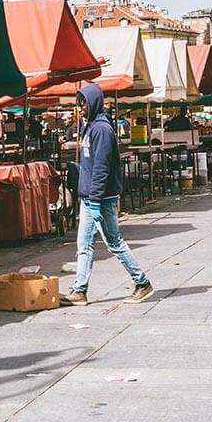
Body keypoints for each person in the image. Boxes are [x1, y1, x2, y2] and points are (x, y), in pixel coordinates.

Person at [61, 83, 154, 306]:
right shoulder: (90, 126)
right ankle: (80, 290)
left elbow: (101, 168)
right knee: (83, 245)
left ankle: (142, 282)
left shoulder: (101, 129)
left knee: (114, 243)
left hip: (100, 199)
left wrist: (94, 200)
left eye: (83, 103)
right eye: (79, 103)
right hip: (89, 197)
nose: (80, 107)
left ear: (92, 102)